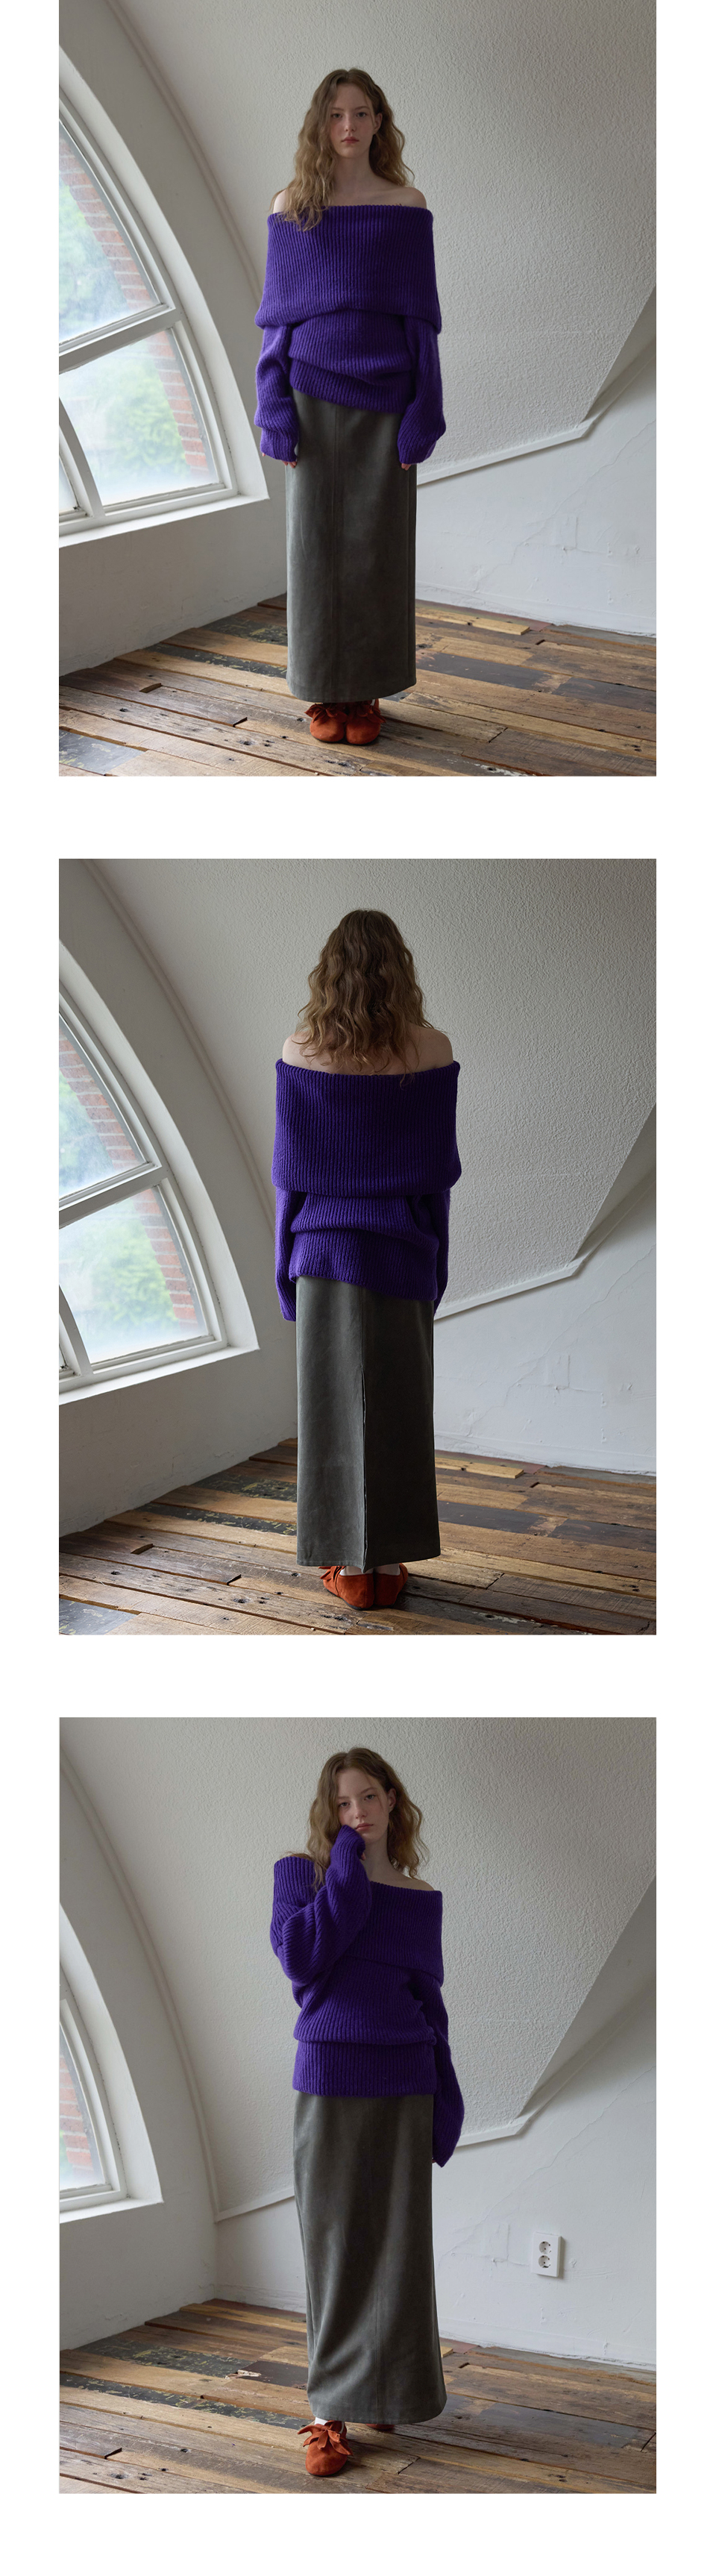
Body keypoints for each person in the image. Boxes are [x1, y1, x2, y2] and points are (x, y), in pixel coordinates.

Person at [270, 1746, 465, 2477]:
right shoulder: (302, 1875)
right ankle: (329, 2411)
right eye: (343, 1803)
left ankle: (386, 2388)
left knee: (399, 2248)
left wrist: (445, 2090)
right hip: (330, 2077)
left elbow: (428, 2001)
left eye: (369, 1798)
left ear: (392, 1799)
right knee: (335, 2247)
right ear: (330, 1813)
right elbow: (303, 1959)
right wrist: (347, 1862)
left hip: (406, 2078)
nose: (358, 1813)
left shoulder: (419, 1895)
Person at [271, 909, 461, 1609]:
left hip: (321, 1252)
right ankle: (386, 1563)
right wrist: (436, 1267)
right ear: (399, 968)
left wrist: (285, 1271)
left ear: (329, 971)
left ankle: (349, 1568)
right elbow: (436, 1180)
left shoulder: (299, 1050)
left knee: (329, 1411)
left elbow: (290, 1178)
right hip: (403, 1251)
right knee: (401, 1410)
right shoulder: (433, 1049)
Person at [254, 68, 445, 748]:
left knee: (377, 551)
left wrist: (425, 412)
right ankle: (323, 692)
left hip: (388, 399)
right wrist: (273, 409)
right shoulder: (292, 208)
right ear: (320, 123)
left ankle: (364, 693)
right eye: (336, 114)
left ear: (378, 122)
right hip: (310, 396)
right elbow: (276, 323)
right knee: (314, 552)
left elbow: (422, 322)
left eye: (361, 113)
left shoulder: (406, 206)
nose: (348, 127)